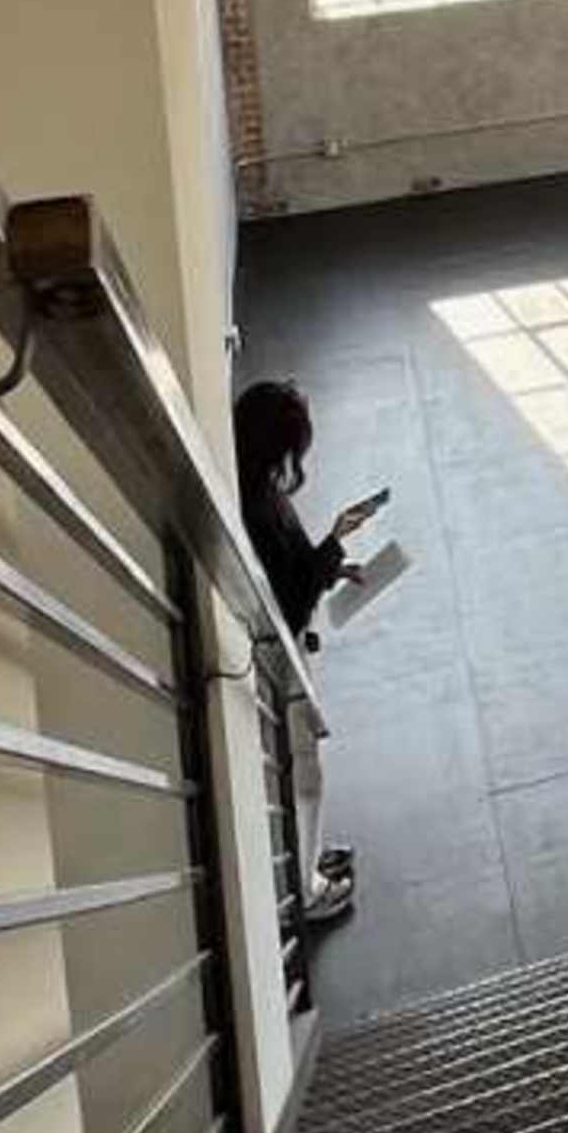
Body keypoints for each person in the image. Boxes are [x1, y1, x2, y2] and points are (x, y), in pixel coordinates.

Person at [232, 378, 368, 929]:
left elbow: (294, 574)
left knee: (303, 767)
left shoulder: (254, 486)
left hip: (281, 645)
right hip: (283, 657)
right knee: (305, 768)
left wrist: (331, 565)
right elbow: (291, 598)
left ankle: (306, 859)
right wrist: (334, 541)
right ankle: (307, 890)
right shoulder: (262, 506)